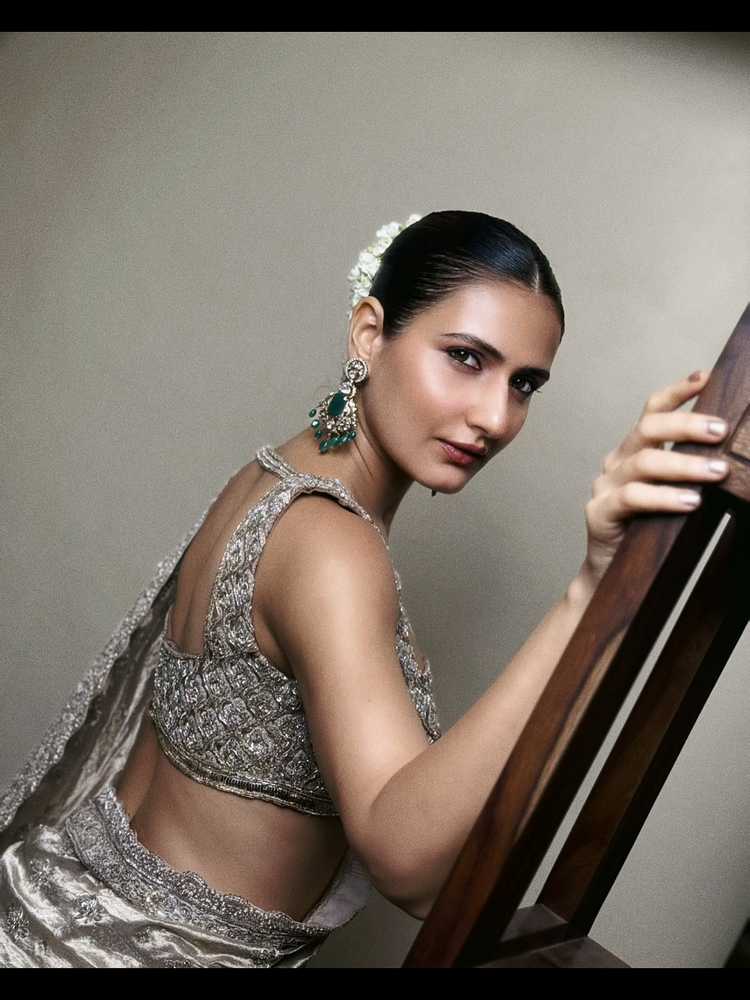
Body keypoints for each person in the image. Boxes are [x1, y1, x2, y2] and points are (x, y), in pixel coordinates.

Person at [0, 210, 730, 968]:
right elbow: (411, 866)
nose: (494, 416)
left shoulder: (274, 477)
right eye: (465, 358)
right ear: (369, 335)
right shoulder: (331, 544)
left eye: (523, 384)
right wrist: (590, 590)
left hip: (65, 917)